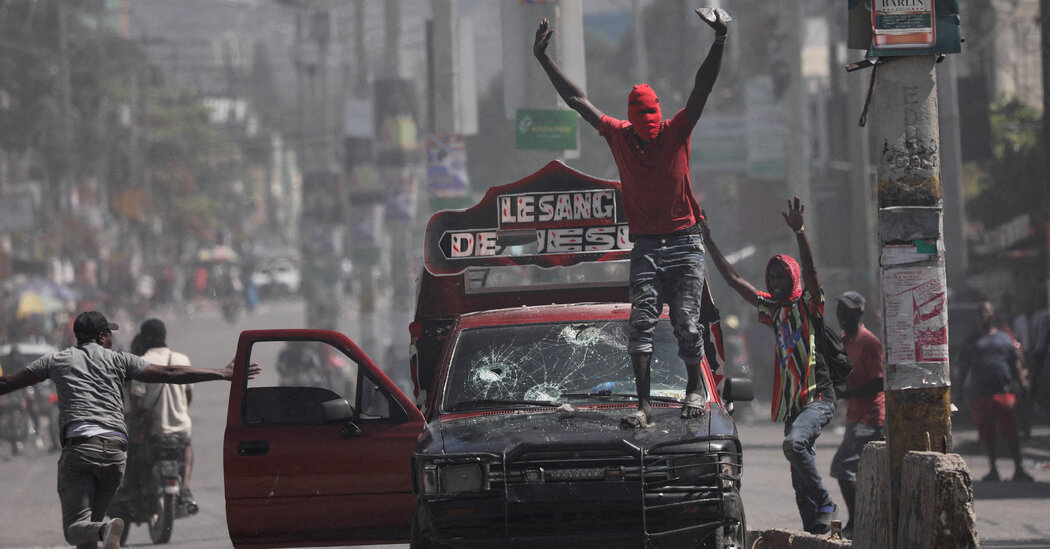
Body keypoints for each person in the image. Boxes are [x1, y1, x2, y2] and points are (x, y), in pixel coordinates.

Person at [533, 8, 728, 428]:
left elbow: (702, 86)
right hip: (645, 245)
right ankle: (643, 406)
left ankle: (694, 387)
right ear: (632, 122)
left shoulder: (676, 131)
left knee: (687, 323)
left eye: (653, 126)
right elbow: (576, 100)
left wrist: (719, 41)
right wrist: (543, 58)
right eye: (643, 127)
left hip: (684, 241)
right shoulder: (619, 134)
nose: (649, 133)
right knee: (640, 322)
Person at [0, 311, 259, 549]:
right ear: (101, 337)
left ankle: (103, 529)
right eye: (109, 333)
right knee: (91, 531)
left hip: (81, 450)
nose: (112, 338)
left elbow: (10, 382)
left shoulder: (57, 359)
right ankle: (103, 529)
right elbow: (169, 372)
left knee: (75, 529)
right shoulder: (120, 360)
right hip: (115, 454)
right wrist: (221, 373)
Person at [700, 198, 839, 534]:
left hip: (818, 398)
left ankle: (826, 502)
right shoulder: (772, 311)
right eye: (771, 276)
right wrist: (708, 240)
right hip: (794, 407)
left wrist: (800, 233)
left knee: (793, 446)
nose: (775, 282)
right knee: (797, 476)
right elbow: (734, 280)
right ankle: (816, 532)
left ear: (792, 277)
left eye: (781, 276)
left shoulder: (809, 305)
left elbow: (811, 273)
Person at [828, 291, 885, 540]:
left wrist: (848, 393)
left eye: (847, 311)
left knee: (844, 468)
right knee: (850, 470)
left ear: (859, 313)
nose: (842, 316)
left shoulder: (869, 343)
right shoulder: (843, 340)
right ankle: (863, 518)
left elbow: (879, 383)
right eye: (839, 310)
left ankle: (858, 520)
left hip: (870, 417)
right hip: (854, 416)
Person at [125, 318, 197, 508]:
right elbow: (188, 396)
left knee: (130, 450)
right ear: (164, 336)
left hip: (154, 430)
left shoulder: (141, 362)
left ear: (143, 338)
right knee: (188, 443)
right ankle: (187, 486)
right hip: (180, 428)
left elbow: (138, 403)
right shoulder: (182, 359)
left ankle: (131, 487)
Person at [959, 300, 1033, 483]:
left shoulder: (1004, 338)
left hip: (1004, 392)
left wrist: (1023, 384)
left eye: (987, 312)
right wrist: (959, 391)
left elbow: (1015, 363)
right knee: (987, 434)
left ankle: (1019, 469)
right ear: (978, 317)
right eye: (982, 313)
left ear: (993, 315)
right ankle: (993, 469)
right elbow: (963, 367)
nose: (985, 315)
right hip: (981, 394)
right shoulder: (972, 341)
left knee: (1011, 432)